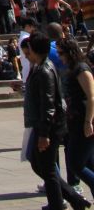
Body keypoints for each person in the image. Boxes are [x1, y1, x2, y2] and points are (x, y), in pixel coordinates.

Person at [23, 31, 89, 210]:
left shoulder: (45, 70)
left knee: (49, 170)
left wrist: (44, 134)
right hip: (42, 123)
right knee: (39, 165)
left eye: (28, 49)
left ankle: (58, 204)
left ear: (34, 49)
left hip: (49, 126)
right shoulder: (39, 66)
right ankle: (75, 200)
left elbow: (49, 104)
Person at [57, 37, 94, 201]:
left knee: (75, 164)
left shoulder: (82, 68)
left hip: (84, 122)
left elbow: (92, 97)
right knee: (89, 163)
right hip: (75, 121)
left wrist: (88, 122)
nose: (59, 56)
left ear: (70, 52)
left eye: (61, 53)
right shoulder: (72, 68)